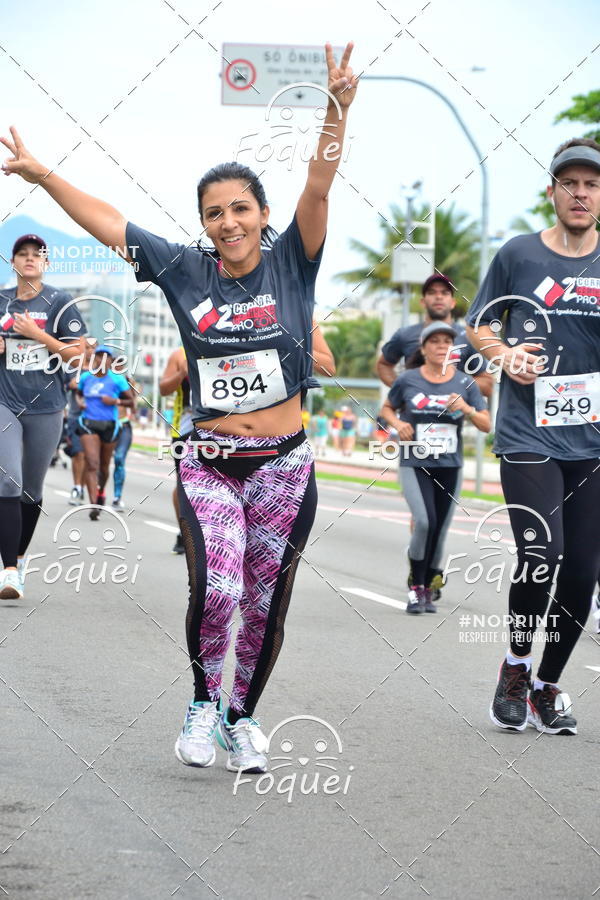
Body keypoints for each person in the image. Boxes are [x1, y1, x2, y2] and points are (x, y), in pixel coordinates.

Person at [1, 41, 357, 772]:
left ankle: (241, 717)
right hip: (212, 461)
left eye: (240, 209)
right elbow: (110, 224)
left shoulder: (293, 262)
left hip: (285, 467)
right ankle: (201, 703)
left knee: (266, 602)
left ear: (263, 214)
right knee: (219, 587)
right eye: (213, 213)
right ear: (204, 223)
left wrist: (336, 109)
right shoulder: (184, 269)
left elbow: (319, 184)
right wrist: (43, 174)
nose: (228, 222)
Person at [465, 137, 600, 735]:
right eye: (570, 183)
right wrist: (505, 354)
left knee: (583, 572)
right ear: (552, 192)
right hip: (528, 434)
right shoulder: (519, 254)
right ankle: (515, 667)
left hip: (592, 440)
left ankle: (547, 685)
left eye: (591, 184)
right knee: (542, 554)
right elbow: (479, 324)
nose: (580, 193)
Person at [380, 323, 490, 614]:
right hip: (414, 462)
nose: (441, 346)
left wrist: (466, 409)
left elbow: (486, 424)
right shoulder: (409, 379)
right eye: (435, 341)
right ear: (424, 348)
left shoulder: (465, 382)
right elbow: (386, 408)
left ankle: (429, 586)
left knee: (439, 530)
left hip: (449, 465)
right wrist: (399, 423)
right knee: (423, 522)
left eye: (446, 342)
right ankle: (416, 587)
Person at [0, 234, 87, 599]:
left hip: (47, 406)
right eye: (22, 253)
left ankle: (18, 557)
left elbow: (78, 355)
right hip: (5, 402)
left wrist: (38, 335)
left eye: (37, 254)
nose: (30, 258)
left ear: (47, 263)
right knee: (8, 481)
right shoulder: (1, 300)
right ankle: (9, 571)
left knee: (30, 491)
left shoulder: (60, 302)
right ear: (13, 261)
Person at [376, 274, 493, 397]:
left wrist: (455, 384)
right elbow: (384, 365)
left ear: (453, 303)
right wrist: (402, 390)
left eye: (445, 293)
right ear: (423, 302)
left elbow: (487, 384)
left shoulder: (467, 337)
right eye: (432, 292)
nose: (438, 297)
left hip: (453, 408)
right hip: (416, 407)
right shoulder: (405, 335)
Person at [75, 346, 134, 520]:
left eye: (106, 357)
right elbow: (78, 394)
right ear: (94, 359)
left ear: (110, 361)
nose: (102, 360)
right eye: (98, 356)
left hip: (110, 425)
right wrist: (80, 402)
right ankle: (94, 504)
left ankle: (100, 491)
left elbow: (131, 402)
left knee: (104, 466)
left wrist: (115, 401)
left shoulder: (117, 380)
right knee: (92, 463)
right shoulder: (85, 377)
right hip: (88, 423)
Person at [159, 346, 193, 554]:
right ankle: (184, 532)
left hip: (221, 429)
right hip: (185, 429)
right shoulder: (180, 354)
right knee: (184, 484)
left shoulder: (226, 346)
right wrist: (181, 373)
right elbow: (163, 389)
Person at [65, 339, 95, 505]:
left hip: (96, 419)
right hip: (76, 417)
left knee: (90, 457)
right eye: (87, 347)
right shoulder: (73, 368)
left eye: (93, 348)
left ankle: (83, 488)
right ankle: (77, 487)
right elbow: (71, 384)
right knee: (79, 453)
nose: (90, 351)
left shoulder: (101, 371)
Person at [112, 376, 136, 511]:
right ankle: (99, 494)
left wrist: (132, 389)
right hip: (105, 425)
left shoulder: (125, 383)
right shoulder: (102, 380)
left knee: (119, 458)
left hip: (124, 426)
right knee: (99, 463)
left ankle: (117, 497)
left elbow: (134, 408)